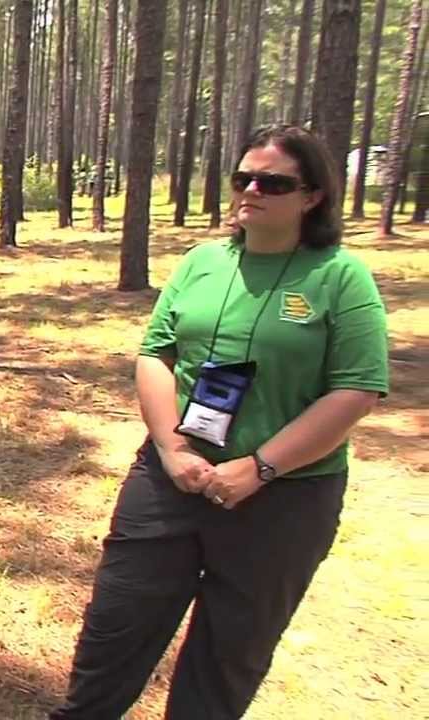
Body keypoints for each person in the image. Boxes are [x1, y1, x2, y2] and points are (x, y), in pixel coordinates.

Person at [50, 124, 389, 719]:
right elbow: (156, 352)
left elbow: (356, 389)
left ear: (312, 196)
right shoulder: (203, 262)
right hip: (170, 479)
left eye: (273, 182)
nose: (252, 190)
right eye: (244, 178)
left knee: (228, 657)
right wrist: (171, 447)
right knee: (115, 630)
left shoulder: (340, 276)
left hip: (285, 499)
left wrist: (260, 467)